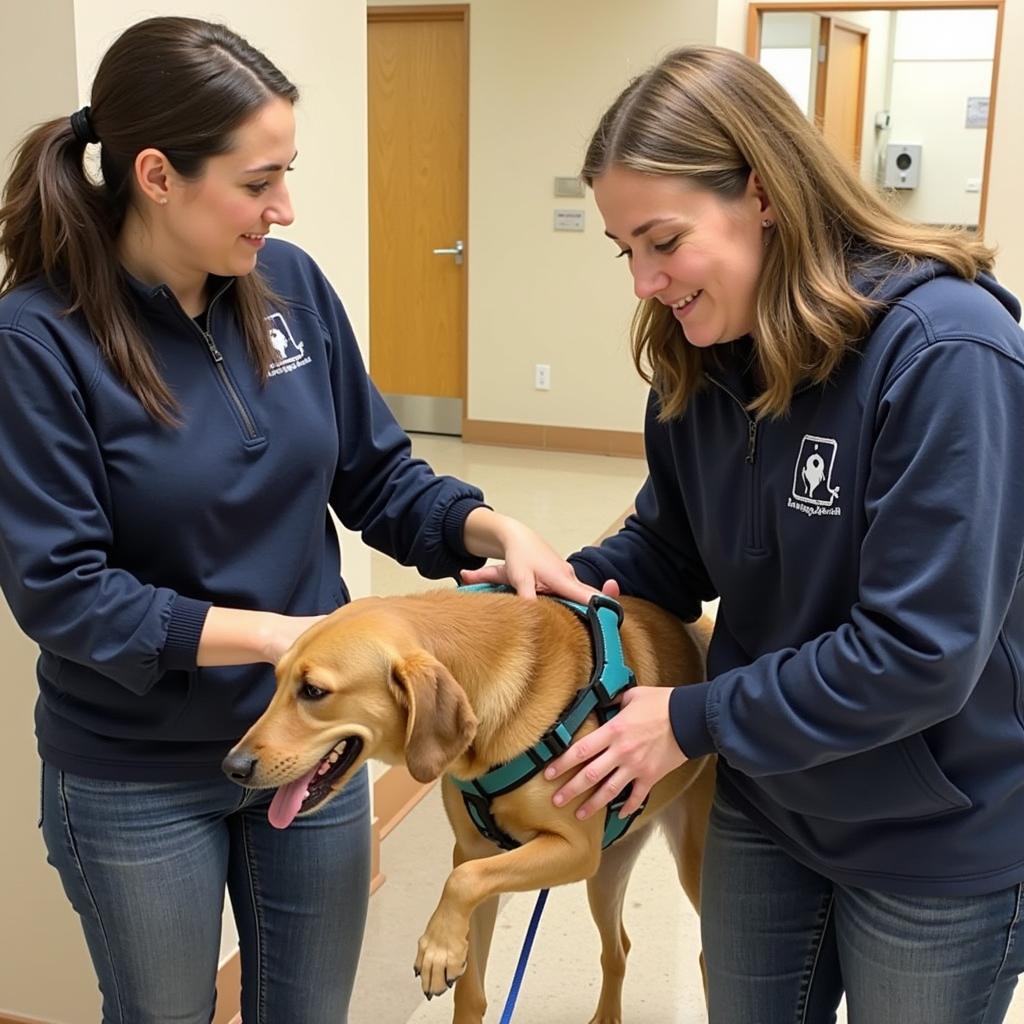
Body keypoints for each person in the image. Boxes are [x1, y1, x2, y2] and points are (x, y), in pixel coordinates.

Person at [0, 17, 592, 1024]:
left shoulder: (292, 288)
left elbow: (375, 475)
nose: (285, 206)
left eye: (288, 172)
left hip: (316, 753)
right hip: (139, 772)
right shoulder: (36, 340)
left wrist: (492, 530)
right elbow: (63, 590)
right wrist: (289, 640)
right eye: (258, 180)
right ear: (156, 174)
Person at [466, 45, 1024, 1023]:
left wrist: (688, 720)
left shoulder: (944, 354)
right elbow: (672, 551)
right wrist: (559, 592)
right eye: (623, 250)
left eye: (663, 240)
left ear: (761, 193)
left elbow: (917, 653)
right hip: (768, 805)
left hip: (934, 836)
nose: (643, 281)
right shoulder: (701, 358)